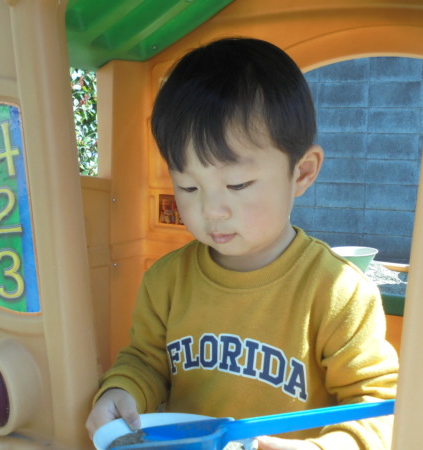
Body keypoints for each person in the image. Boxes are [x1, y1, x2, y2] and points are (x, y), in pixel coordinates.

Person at [86, 37, 398, 449]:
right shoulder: (166, 282)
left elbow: (377, 407)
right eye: (189, 186)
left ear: (302, 173)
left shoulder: (337, 292)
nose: (212, 210)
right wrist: (120, 391)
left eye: (237, 184)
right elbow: (146, 362)